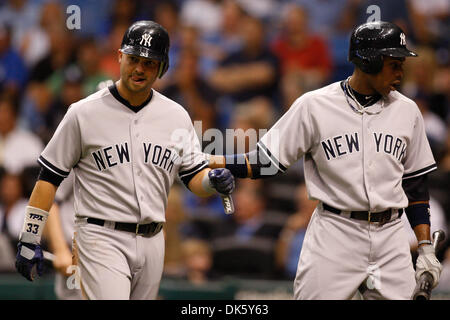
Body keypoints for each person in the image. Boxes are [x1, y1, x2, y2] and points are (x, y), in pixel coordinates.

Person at [209, 21, 442, 299]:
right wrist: (218, 162)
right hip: (335, 231)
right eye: (394, 64)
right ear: (368, 62)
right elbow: (266, 160)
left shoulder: (408, 111)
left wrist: (425, 246)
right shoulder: (315, 105)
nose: (401, 73)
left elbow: (416, 185)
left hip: (391, 236)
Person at [14, 20, 235, 300]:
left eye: (150, 63)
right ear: (120, 56)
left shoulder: (176, 115)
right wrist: (30, 236)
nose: (139, 68)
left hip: (154, 238)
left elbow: (193, 177)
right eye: (133, 59)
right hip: (100, 235)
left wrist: (212, 182)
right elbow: (48, 178)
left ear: (162, 67)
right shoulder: (83, 113)